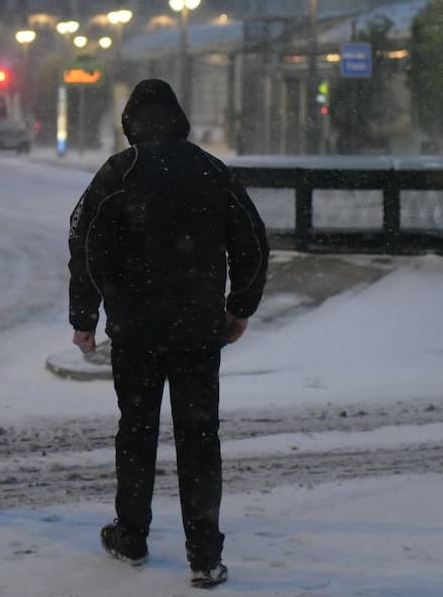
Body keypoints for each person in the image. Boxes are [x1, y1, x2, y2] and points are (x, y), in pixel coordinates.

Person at [68, 78, 269, 589]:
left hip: (135, 331)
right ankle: (204, 553)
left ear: (131, 124)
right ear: (178, 119)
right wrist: (239, 307)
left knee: (135, 433)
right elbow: (251, 241)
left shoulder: (121, 171)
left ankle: (132, 535)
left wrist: (86, 315)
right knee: (200, 438)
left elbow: (86, 243)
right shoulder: (211, 170)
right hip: (199, 330)